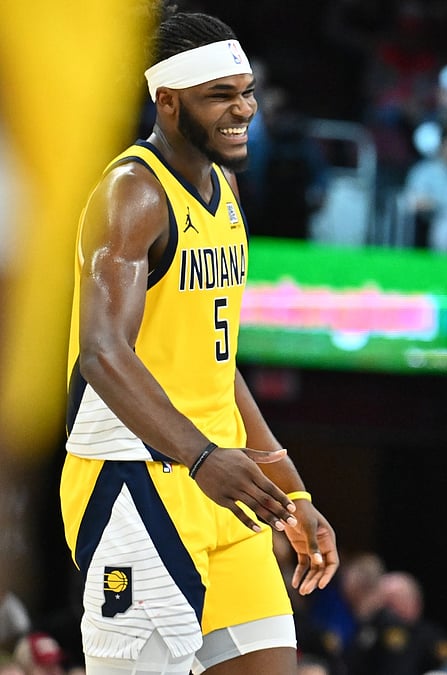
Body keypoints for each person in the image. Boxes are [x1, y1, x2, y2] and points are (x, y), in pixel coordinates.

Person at [59, 9, 338, 674]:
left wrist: (289, 489)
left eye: (246, 92)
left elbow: (218, 365)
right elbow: (101, 352)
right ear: (168, 101)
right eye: (221, 95)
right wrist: (199, 455)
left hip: (221, 482)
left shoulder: (226, 185)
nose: (243, 109)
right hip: (135, 479)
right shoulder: (131, 193)